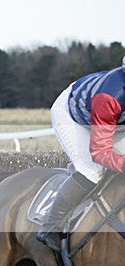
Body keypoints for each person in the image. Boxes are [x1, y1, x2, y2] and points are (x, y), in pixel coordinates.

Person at [36, 56, 125, 251]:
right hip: (74, 117)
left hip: (113, 121)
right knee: (92, 170)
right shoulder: (110, 97)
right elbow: (100, 152)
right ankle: (51, 225)